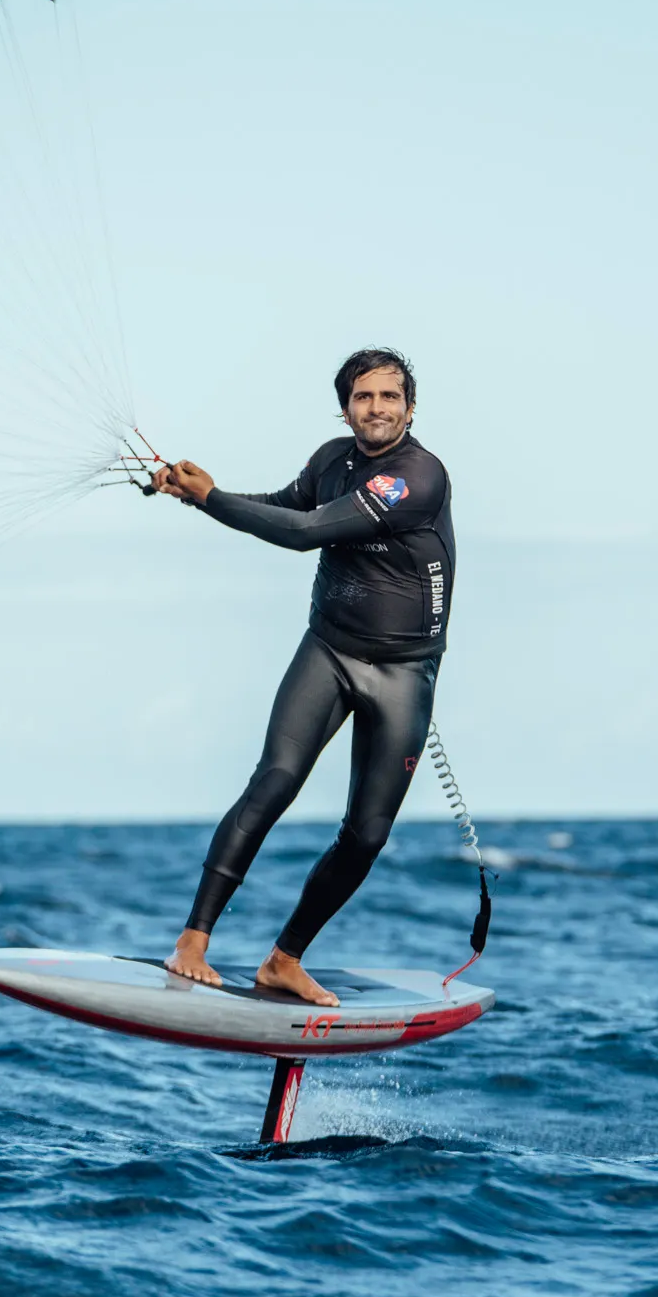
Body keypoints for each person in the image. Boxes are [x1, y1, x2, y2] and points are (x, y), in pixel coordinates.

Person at [151, 349, 455, 1006]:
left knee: (366, 835)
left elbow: (308, 532)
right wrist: (205, 497)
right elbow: (291, 506)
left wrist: (212, 499)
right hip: (330, 650)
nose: (376, 408)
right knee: (275, 780)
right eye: (363, 397)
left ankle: (283, 960)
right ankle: (192, 942)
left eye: (389, 397)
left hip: (403, 672)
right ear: (345, 406)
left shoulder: (417, 477)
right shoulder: (331, 460)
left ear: (410, 407)